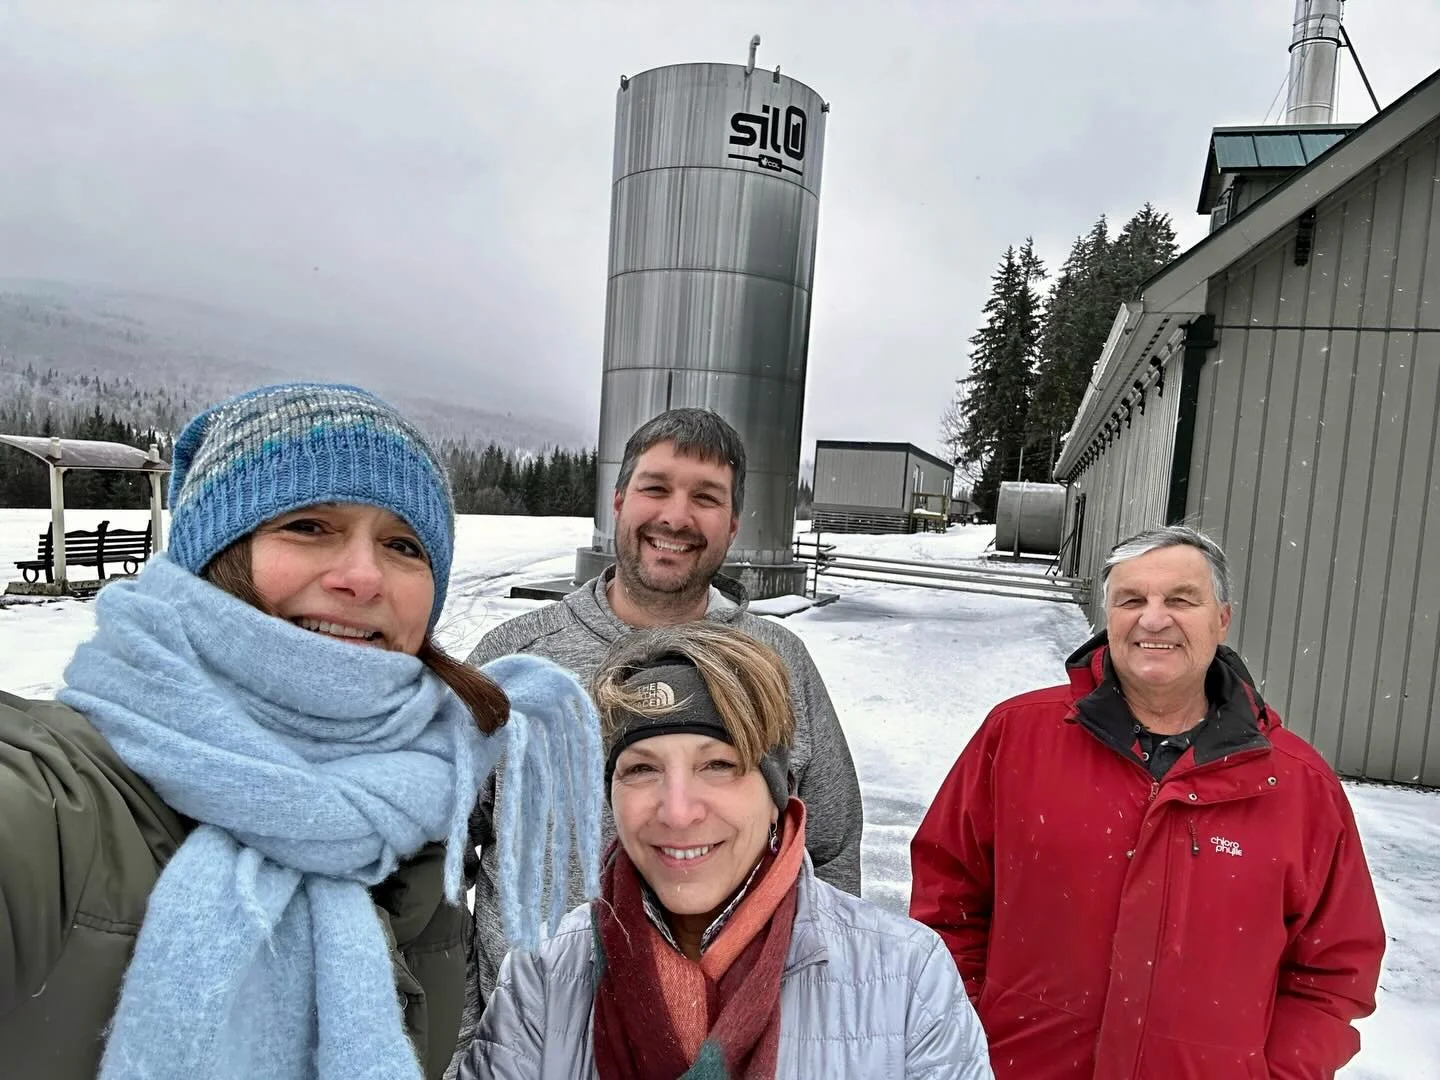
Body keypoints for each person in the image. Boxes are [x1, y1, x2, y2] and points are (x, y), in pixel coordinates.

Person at [0, 382, 602, 1080]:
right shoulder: (47, 806)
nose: (363, 577)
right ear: (209, 556)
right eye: (309, 526)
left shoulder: (417, 811)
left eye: (402, 544)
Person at [909, 525, 1386, 1080]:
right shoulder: (1017, 737)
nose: (1153, 620)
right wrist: (967, 1033)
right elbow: (947, 905)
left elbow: (1333, 972)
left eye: (1181, 600)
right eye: (1131, 600)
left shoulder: (1296, 783)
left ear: (1222, 619)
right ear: (1108, 617)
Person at [459, 407, 862, 1011]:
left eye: (705, 497)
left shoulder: (778, 664)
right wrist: (468, 1031)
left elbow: (831, 857)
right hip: (526, 1035)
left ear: (732, 525)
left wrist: (807, 1021)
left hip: (725, 1041)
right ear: (619, 501)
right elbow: (436, 859)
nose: (676, 516)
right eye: (656, 488)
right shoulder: (515, 661)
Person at [460, 622, 992, 1079]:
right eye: (641, 769)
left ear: (776, 794)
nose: (678, 811)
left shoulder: (907, 978)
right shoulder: (545, 974)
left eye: (718, 765)